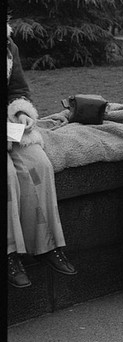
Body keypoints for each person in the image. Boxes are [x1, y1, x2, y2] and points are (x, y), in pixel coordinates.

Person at [7, 23, 78, 288]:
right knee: (7, 175)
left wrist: (21, 113)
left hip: (8, 128)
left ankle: (46, 244)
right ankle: (10, 253)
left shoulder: (8, 44)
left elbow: (17, 91)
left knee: (40, 165)